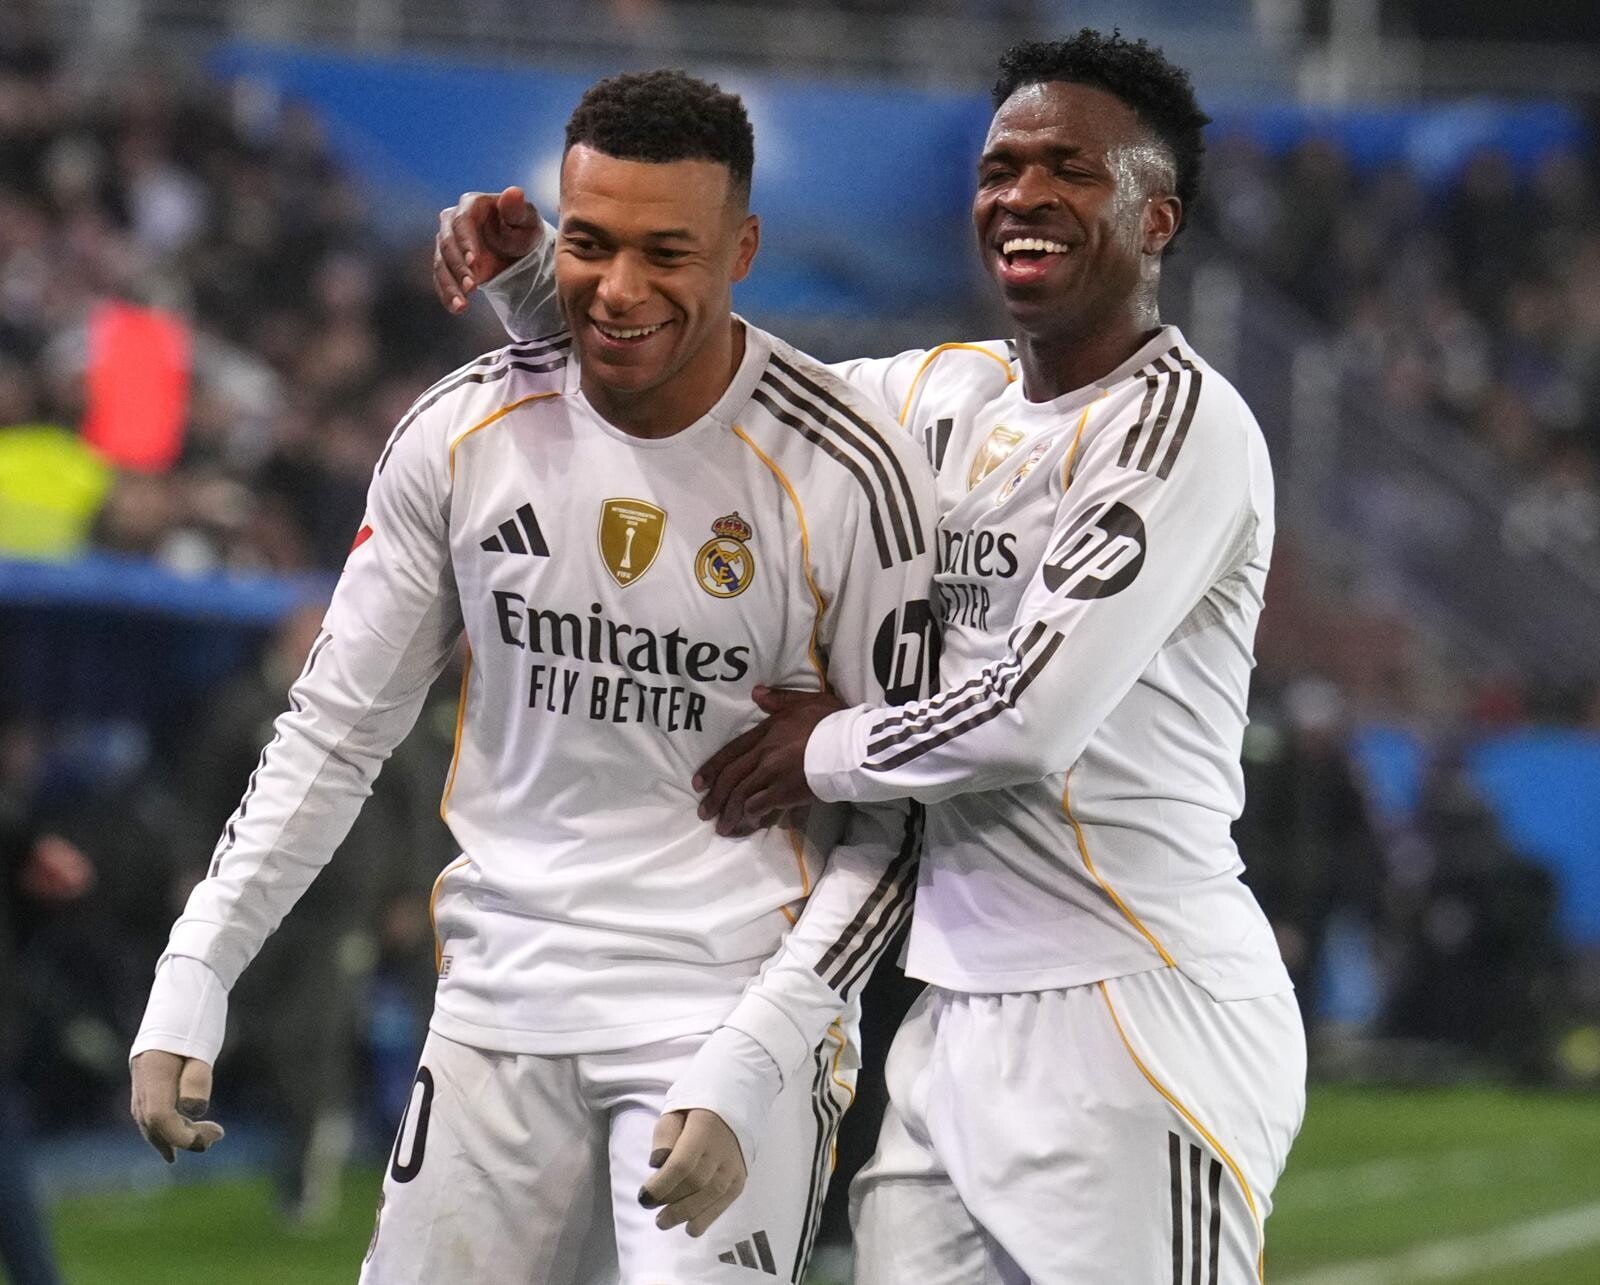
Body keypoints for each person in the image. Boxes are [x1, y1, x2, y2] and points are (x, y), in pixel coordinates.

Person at [441, 31, 1305, 1283]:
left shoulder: (1180, 427)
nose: (1021, 194)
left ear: (1155, 217)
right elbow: (713, 408)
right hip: (952, 1007)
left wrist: (821, 747)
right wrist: (534, 287)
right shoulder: (938, 396)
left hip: (1132, 1004)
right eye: (999, 168)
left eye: (1069, 169)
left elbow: (1027, 719)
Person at [130, 70, 936, 1284]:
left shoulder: (848, 471)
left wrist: (766, 1045)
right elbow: (334, 731)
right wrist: (199, 961)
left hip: (722, 1005)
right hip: (496, 1005)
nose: (619, 288)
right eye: (591, 243)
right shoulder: (458, 433)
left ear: (742, 250)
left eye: (667, 252)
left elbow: (897, 815)